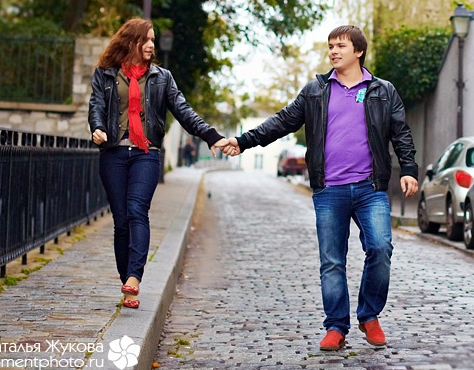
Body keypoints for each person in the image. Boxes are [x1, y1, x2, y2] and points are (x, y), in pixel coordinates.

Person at [221, 25, 419, 351]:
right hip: (329, 190)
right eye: (330, 46)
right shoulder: (316, 90)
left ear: (359, 51)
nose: (333, 51)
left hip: (370, 188)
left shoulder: (383, 91)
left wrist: (409, 169)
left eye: (341, 46)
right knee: (332, 261)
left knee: (380, 248)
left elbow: (401, 133)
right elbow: (282, 121)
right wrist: (243, 141)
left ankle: (369, 315)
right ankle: (336, 326)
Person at [89, 18, 227, 309]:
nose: (151, 45)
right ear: (131, 42)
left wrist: (211, 135)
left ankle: (134, 277)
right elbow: (96, 105)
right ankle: (127, 285)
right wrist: (97, 128)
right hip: (113, 154)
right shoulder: (106, 73)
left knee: (137, 211)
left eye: (153, 40)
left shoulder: (162, 77)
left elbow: (183, 111)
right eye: (146, 39)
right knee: (121, 221)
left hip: (146, 153)